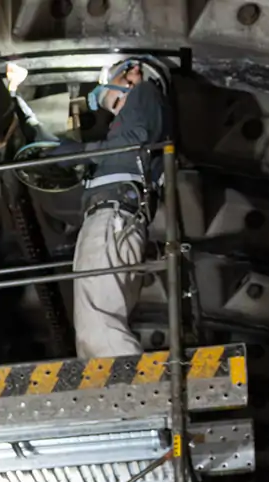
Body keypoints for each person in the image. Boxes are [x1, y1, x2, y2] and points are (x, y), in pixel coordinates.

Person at [67, 59, 169, 359]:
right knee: (97, 327)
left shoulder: (143, 97)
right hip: (119, 221)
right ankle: (124, 392)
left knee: (97, 326)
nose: (103, 99)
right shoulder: (150, 120)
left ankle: (135, 394)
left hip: (111, 220)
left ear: (133, 75)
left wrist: (64, 150)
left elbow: (127, 143)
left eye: (107, 86)